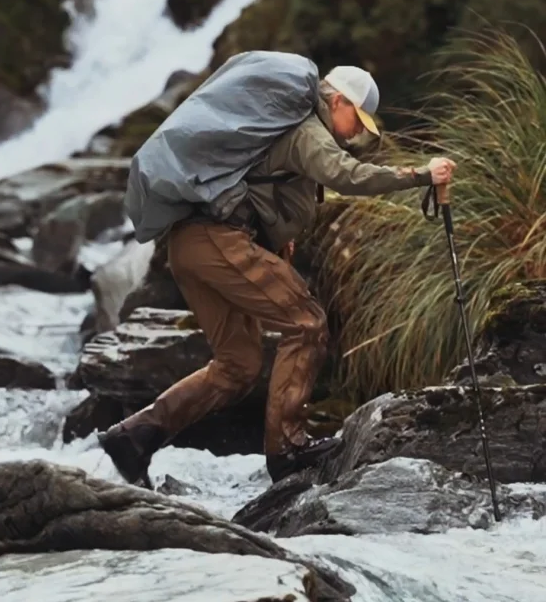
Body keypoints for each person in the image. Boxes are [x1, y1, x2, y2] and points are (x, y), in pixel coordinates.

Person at [99, 63, 455, 484]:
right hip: (217, 241)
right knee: (307, 323)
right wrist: (419, 175)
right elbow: (347, 175)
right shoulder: (308, 129)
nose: (352, 133)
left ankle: (135, 436)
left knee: (239, 365)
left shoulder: (283, 128)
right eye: (354, 121)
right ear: (337, 100)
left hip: (189, 246)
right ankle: (286, 448)